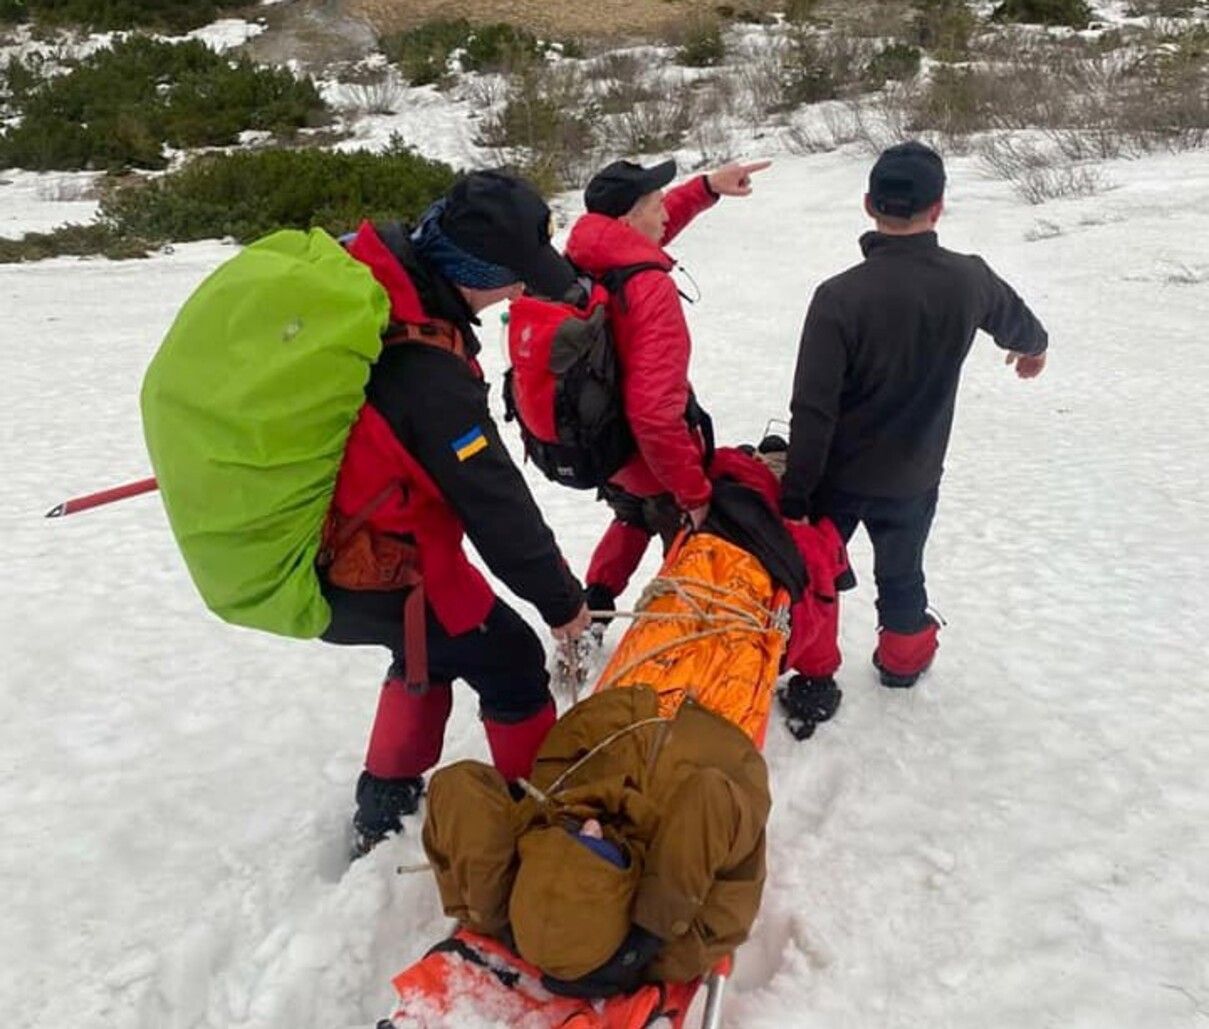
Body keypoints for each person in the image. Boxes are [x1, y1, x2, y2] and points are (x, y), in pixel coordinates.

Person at [318, 170, 591, 852]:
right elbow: (496, 507)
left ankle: (382, 805)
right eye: (514, 277)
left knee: (430, 649)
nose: (519, 291)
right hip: (385, 564)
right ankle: (542, 823)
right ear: (476, 274)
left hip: (336, 548)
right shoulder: (426, 369)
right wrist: (561, 602)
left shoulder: (372, 287)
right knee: (510, 660)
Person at [779, 141, 1049, 718]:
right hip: (913, 474)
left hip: (835, 476)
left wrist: (796, 496)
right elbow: (1022, 326)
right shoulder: (969, 279)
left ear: (868, 204)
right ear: (939, 208)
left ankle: (814, 678)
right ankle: (903, 662)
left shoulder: (838, 297)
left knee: (817, 574)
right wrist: (1032, 351)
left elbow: (813, 410)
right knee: (902, 573)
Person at [421, 684, 769, 996]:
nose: (590, 827)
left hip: (608, 725)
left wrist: (491, 907)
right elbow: (715, 801)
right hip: (715, 738)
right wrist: (650, 933)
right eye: (604, 852)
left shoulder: (511, 896)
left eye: (571, 835)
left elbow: (458, 786)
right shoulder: (678, 945)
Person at [563, 156, 771, 616]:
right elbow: (655, 414)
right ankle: (670, 649)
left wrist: (707, 188)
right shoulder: (648, 287)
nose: (664, 214)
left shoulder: (585, 254)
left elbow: (651, 230)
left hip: (605, 445)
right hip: (651, 459)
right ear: (625, 220)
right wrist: (693, 495)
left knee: (629, 515)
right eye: (655, 204)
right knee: (682, 549)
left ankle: (592, 605)